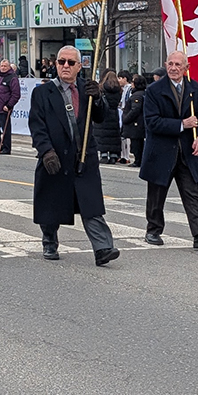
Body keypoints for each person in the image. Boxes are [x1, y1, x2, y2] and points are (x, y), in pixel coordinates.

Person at [28, 45, 120, 266]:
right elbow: (37, 126)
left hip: (83, 158)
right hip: (55, 157)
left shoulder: (87, 89)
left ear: (79, 66)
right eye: (62, 62)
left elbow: (100, 117)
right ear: (56, 64)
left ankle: (103, 248)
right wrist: (46, 151)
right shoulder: (42, 93)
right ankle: (50, 242)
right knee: (51, 204)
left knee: (91, 205)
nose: (66, 66)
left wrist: (98, 98)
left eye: (71, 62)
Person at [140, 50, 198, 250]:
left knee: (192, 192)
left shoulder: (193, 87)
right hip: (161, 151)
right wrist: (181, 124)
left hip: (186, 151)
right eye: (170, 64)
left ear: (186, 67)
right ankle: (153, 230)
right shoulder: (154, 90)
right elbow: (152, 122)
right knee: (157, 193)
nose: (173, 68)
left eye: (178, 64)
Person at [0, 59, 21, 153]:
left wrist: (9, 105)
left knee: (6, 129)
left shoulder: (12, 78)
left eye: (5, 66)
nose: (3, 68)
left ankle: (6, 148)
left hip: (4, 108)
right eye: (2, 66)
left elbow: (16, 94)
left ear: (9, 67)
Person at [94, 69, 124, 164]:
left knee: (102, 134)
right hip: (114, 114)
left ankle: (104, 154)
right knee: (113, 135)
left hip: (104, 113)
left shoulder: (101, 88)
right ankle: (113, 155)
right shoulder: (119, 90)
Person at [121, 74, 147, 168]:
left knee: (136, 143)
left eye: (133, 82)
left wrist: (126, 118)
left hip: (136, 124)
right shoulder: (143, 93)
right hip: (140, 123)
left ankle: (138, 161)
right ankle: (139, 160)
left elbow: (135, 109)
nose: (131, 84)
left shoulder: (137, 96)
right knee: (138, 143)